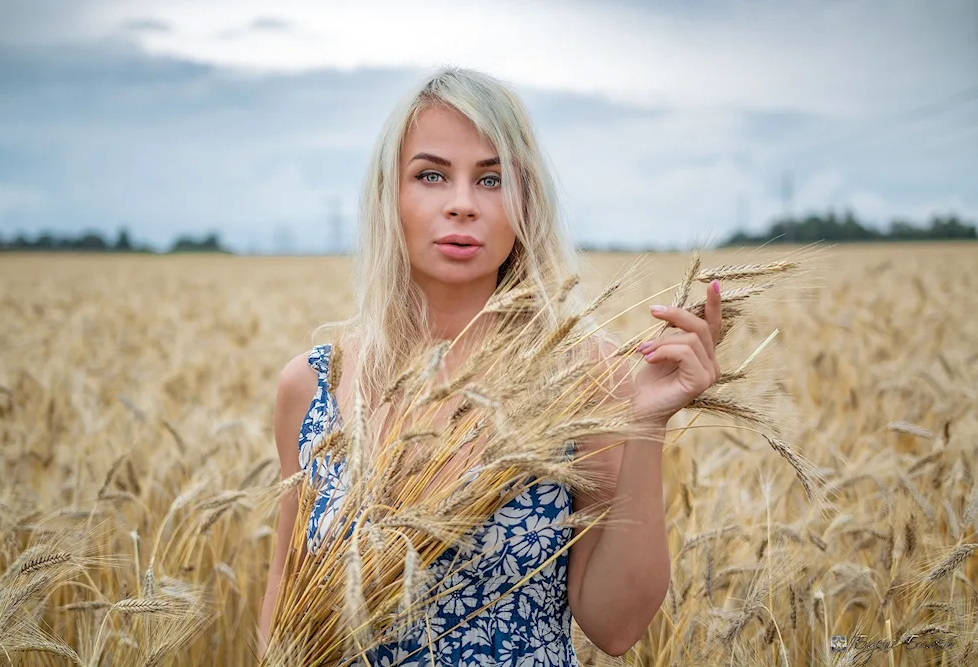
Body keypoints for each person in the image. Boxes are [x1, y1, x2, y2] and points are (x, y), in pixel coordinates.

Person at [258, 66, 722, 665]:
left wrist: (648, 424)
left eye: (492, 179)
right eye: (430, 175)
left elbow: (615, 626)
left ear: (526, 202)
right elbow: (285, 593)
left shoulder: (582, 377)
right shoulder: (313, 384)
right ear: (388, 197)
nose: (461, 205)